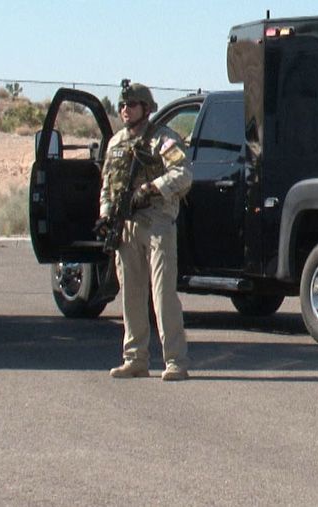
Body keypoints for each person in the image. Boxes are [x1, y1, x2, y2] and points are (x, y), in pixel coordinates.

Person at [97, 81, 193, 380]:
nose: (126, 110)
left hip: (157, 223)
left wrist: (151, 188)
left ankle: (175, 360)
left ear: (147, 109)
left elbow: (184, 174)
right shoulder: (115, 143)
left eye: (132, 104)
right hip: (125, 226)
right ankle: (135, 358)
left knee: (163, 295)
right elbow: (108, 185)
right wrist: (105, 215)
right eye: (123, 105)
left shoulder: (163, 140)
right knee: (131, 295)